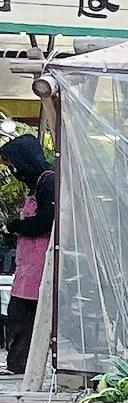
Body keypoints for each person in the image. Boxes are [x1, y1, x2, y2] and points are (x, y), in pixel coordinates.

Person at [3, 131, 56, 377]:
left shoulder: (48, 182)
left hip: (42, 259)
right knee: (20, 313)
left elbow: (46, 221)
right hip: (30, 261)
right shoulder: (37, 183)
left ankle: (21, 363)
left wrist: (16, 226)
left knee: (23, 314)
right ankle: (18, 362)